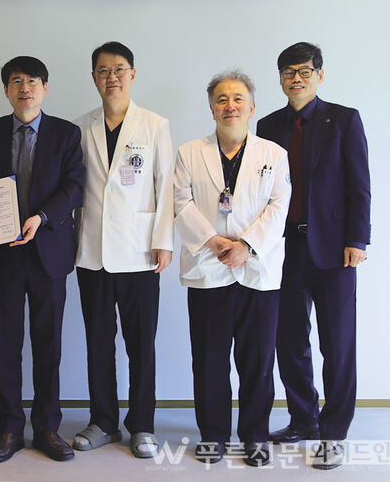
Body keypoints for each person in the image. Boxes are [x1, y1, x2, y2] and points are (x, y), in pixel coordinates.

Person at [257, 42, 370, 470]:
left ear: (319, 75)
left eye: (305, 71)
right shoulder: (268, 126)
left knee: (337, 344)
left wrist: (358, 240)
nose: (297, 78)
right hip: (283, 250)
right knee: (289, 341)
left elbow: (359, 185)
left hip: (335, 250)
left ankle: (334, 432)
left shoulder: (343, 120)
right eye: (289, 72)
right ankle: (303, 419)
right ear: (280, 78)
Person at [173, 71, 290, 467]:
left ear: (251, 107)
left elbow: (279, 207)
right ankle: (213, 436)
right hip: (209, 268)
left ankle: (255, 437)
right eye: (221, 99)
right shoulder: (190, 152)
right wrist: (214, 241)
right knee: (209, 361)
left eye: (238, 98)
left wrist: (246, 246)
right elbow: (181, 202)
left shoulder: (274, 154)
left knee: (257, 363)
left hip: (257, 271)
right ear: (211, 108)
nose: (230, 106)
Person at [0, 55, 85, 463]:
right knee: (5, 346)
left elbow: (75, 187)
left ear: (45, 88)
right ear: (6, 90)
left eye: (33, 81)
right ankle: (9, 428)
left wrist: (41, 217)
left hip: (48, 254)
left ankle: (47, 428)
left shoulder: (66, 133)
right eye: (17, 81)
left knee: (48, 346)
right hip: (2, 255)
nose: (25, 88)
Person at [72, 41, 174, 458]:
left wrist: (163, 241)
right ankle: (103, 421)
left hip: (139, 252)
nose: (111, 77)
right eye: (103, 70)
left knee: (140, 345)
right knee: (98, 342)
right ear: (93, 78)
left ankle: (142, 424)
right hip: (92, 252)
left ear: (132, 74)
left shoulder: (155, 125)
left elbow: (165, 186)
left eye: (118, 70)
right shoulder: (80, 127)